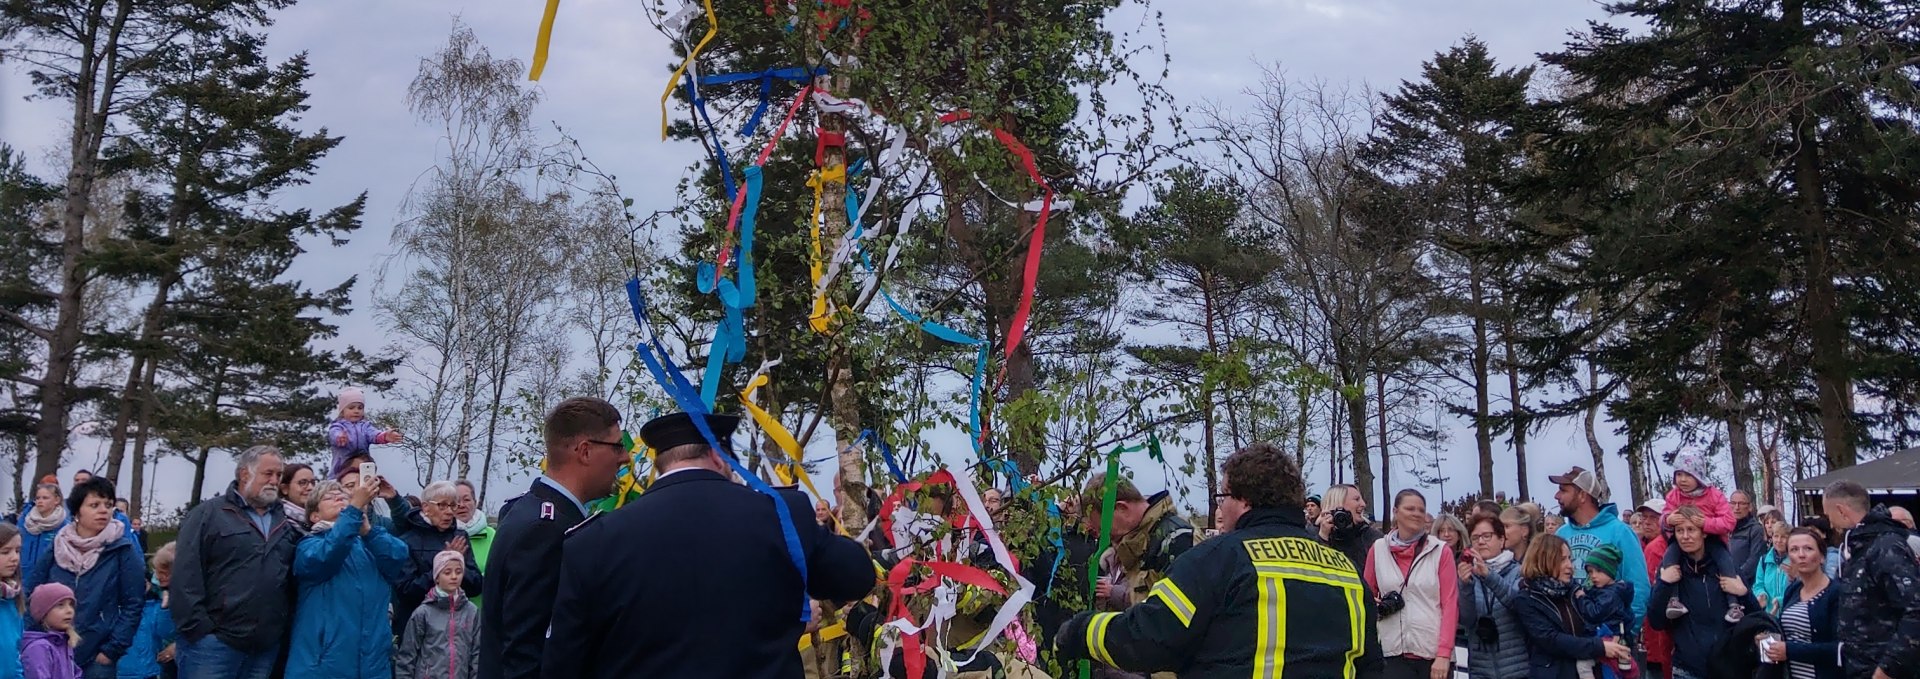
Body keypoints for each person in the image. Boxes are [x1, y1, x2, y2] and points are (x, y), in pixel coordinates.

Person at [541, 411, 876, 679]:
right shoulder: (782, 515)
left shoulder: (593, 540)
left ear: (663, 463)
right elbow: (857, 576)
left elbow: (564, 663)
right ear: (719, 457)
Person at [1055, 442, 1383, 677]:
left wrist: (1079, 631)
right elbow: (1370, 666)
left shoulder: (1219, 559)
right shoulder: (1346, 572)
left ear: (1242, 500)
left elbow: (1151, 636)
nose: (1220, 509)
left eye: (1222, 497)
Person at [478, 397, 626, 679]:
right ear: (585, 451)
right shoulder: (545, 531)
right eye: (617, 446)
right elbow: (526, 655)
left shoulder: (534, 513)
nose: (625, 457)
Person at [171, 445, 300, 679]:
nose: (274, 481)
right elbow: (185, 574)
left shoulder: (285, 520)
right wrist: (200, 629)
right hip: (212, 645)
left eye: (278, 475)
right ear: (244, 474)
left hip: (264, 647)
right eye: (267, 474)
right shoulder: (209, 514)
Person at [285, 479, 410, 679]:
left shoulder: (370, 545)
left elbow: (398, 557)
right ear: (315, 516)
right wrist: (352, 510)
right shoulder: (308, 546)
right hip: (323, 666)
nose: (338, 498)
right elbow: (328, 554)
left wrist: (368, 532)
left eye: (343, 496)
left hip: (372, 666)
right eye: (328, 497)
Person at [28, 478, 143, 679]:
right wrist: (34, 637)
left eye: (108, 505)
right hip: (53, 649)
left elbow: (133, 603)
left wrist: (111, 650)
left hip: (97, 655)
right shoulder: (57, 545)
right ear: (77, 511)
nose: (103, 510)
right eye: (94, 505)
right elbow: (32, 591)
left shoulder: (122, 549)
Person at [1647, 505, 1761, 679]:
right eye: (1680, 531)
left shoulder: (1727, 568)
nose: (1685, 537)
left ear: (1704, 532)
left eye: (1691, 530)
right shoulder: (1670, 569)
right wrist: (1664, 584)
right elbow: (1656, 621)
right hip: (1687, 667)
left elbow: (1755, 618)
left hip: (1728, 665)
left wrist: (1744, 593)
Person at [1822, 480, 1920, 679]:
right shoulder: (1859, 549)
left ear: (1842, 511)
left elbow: (1915, 609)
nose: (1830, 524)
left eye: (1828, 516)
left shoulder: (1885, 547)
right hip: (1860, 667)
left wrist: (1889, 668)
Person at [1363, 489, 1458, 679]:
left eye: (1421, 510)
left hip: (1431, 653)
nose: (1416, 513)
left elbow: (1450, 604)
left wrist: (1443, 654)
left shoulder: (1440, 550)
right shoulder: (1378, 549)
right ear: (1396, 511)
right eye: (1410, 508)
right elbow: (1365, 597)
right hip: (1392, 652)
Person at [1512, 534, 1633, 679]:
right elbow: (1551, 639)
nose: (1570, 565)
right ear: (1544, 561)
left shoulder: (1573, 590)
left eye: (1570, 558)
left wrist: (1617, 633)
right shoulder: (1527, 598)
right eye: (1562, 559)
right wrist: (1599, 647)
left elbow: (1603, 616)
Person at [1081, 473, 1195, 624]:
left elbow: (1172, 624)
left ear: (1121, 508)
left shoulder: (1175, 540)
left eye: (1104, 528)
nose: (1104, 538)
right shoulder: (1140, 543)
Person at [1551, 466, 1649, 629]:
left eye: (1563, 490)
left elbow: (1638, 587)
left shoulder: (1620, 532)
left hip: (1609, 641)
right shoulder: (1561, 534)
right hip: (1568, 639)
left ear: (1582, 495)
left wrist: (1627, 634)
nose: (1557, 496)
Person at [1657, 453, 1743, 623]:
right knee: (1668, 557)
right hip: (1681, 540)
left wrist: (1706, 523)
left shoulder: (1714, 495)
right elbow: (1665, 516)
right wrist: (1668, 519)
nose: (1682, 479)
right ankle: (1674, 600)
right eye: (1679, 474)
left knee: (1725, 562)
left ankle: (1733, 604)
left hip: (1712, 539)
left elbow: (1729, 521)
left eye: (1688, 475)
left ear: (1699, 475)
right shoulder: (1674, 495)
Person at [388, 481, 482, 638]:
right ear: (426, 508)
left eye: (453, 506)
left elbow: (476, 586)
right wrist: (443, 565)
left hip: (456, 629)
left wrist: (459, 566)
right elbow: (406, 592)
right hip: (419, 629)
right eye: (442, 505)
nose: (449, 512)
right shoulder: (407, 541)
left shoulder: (460, 537)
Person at [1458, 514, 1529, 679]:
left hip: (1517, 669)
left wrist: (1489, 576)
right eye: (1475, 538)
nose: (1481, 542)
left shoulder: (1518, 571)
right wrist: (1465, 586)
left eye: (1487, 536)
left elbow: (1518, 606)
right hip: (1480, 669)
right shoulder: (1468, 575)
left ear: (1502, 540)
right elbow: (1467, 621)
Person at [1767, 528, 1843, 679]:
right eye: (1794, 550)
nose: (1801, 555)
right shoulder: (1793, 590)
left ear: (1822, 557)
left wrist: (1789, 650)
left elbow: (1841, 650)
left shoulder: (1835, 593)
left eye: (1808, 549)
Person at [395, 552, 480, 679]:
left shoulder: (471, 612)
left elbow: (477, 654)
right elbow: (407, 656)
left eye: (458, 571)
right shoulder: (423, 613)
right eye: (447, 572)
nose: (454, 577)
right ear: (437, 577)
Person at [119, 545, 175, 679]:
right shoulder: (116, 610)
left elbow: (166, 632)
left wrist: (164, 608)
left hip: (150, 671)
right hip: (121, 672)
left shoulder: (155, 607)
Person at [327, 387, 404, 480]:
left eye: (360, 408)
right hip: (342, 466)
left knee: (364, 479)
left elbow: (373, 434)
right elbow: (333, 434)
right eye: (351, 408)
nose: (356, 411)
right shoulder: (338, 426)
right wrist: (339, 438)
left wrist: (385, 436)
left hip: (362, 465)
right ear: (342, 411)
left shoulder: (365, 426)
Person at [1320, 484, 1384, 578]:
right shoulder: (1314, 534)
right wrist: (1323, 538)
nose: (1363, 504)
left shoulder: (1372, 538)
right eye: (1356, 499)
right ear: (1339, 503)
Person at [22, 583, 82, 679]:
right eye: (60, 605)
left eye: (71, 605)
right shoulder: (39, 647)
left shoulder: (63, 642)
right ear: (43, 613)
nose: (69, 610)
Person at [20, 483, 68, 591]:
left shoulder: (65, 527)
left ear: (56, 500)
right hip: (22, 580)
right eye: (38, 498)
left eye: (45, 498)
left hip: (49, 584)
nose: (40, 501)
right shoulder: (24, 523)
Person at [1743, 521, 1790, 618]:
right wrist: (1762, 594)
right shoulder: (1764, 560)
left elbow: (1799, 590)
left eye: (1783, 537)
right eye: (1776, 536)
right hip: (1769, 615)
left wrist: (1781, 601)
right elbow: (1758, 585)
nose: (1779, 540)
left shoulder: (1795, 561)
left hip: (1790, 615)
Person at [451, 481, 493, 580]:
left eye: (466, 499)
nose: (461, 505)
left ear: (475, 502)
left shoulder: (492, 535)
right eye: (456, 501)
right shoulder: (442, 535)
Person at [1, 522, 26, 679]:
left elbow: (15, 653)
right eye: (5, 552)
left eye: (17, 551)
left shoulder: (13, 597)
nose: (14, 558)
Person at [1728, 490, 1768, 572]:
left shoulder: (1756, 530)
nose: (1737, 507)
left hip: (1745, 582)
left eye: (1741, 503)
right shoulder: (1724, 529)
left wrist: (1736, 577)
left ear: (1750, 507)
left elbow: (1755, 560)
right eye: (1733, 503)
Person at [280, 463, 317, 532]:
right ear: (285, 489)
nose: (310, 487)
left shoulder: (320, 518)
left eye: (313, 482)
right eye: (303, 483)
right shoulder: (280, 522)